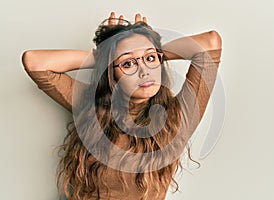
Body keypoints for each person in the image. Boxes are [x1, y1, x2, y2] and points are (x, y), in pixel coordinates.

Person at [22, 12, 222, 200]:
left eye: (151, 59)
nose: (144, 71)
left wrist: (142, 49)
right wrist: (105, 56)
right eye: (128, 65)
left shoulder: (179, 116)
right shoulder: (91, 105)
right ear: (111, 74)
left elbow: (210, 42)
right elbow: (34, 62)